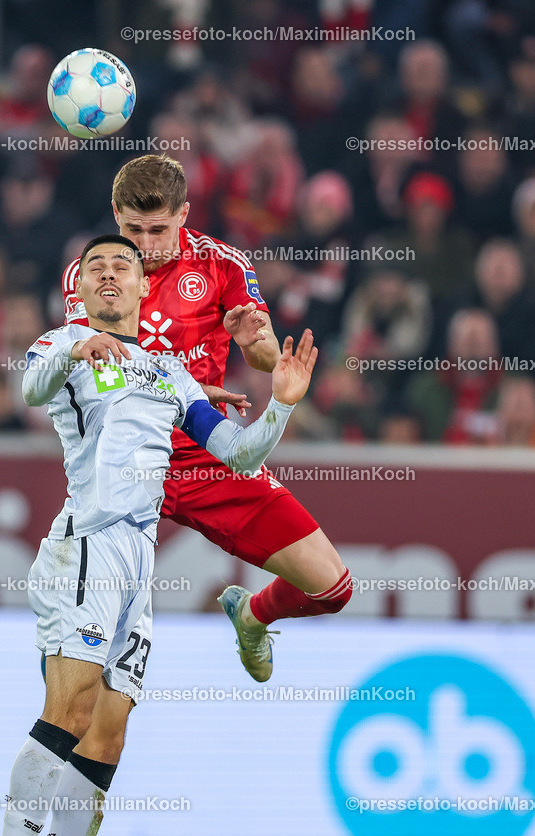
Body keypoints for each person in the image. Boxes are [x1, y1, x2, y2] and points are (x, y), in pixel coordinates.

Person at [0, 234, 318, 836]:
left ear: (140, 290)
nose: (108, 274)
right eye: (95, 267)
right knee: (68, 709)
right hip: (84, 548)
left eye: (121, 266)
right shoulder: (64, 341)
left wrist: (281, 405)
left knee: (111, 729)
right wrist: (75, 348)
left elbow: (238, 454)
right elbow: (30, 389)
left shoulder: (166, 370)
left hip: (136, 566)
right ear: (82, 289)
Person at [61, 155, 352, 684]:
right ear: (114, 214)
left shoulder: (223, 266)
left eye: (159, 230)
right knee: (90, 667)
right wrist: (178, 388)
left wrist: (256, 343)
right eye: (133, 229)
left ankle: (251, 616)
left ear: (185, 215)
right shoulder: (92, 270)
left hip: (206, 453)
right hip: (123, 464)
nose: (145, 246)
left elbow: (264, 354)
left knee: (332, 588)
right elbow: (101, 374)